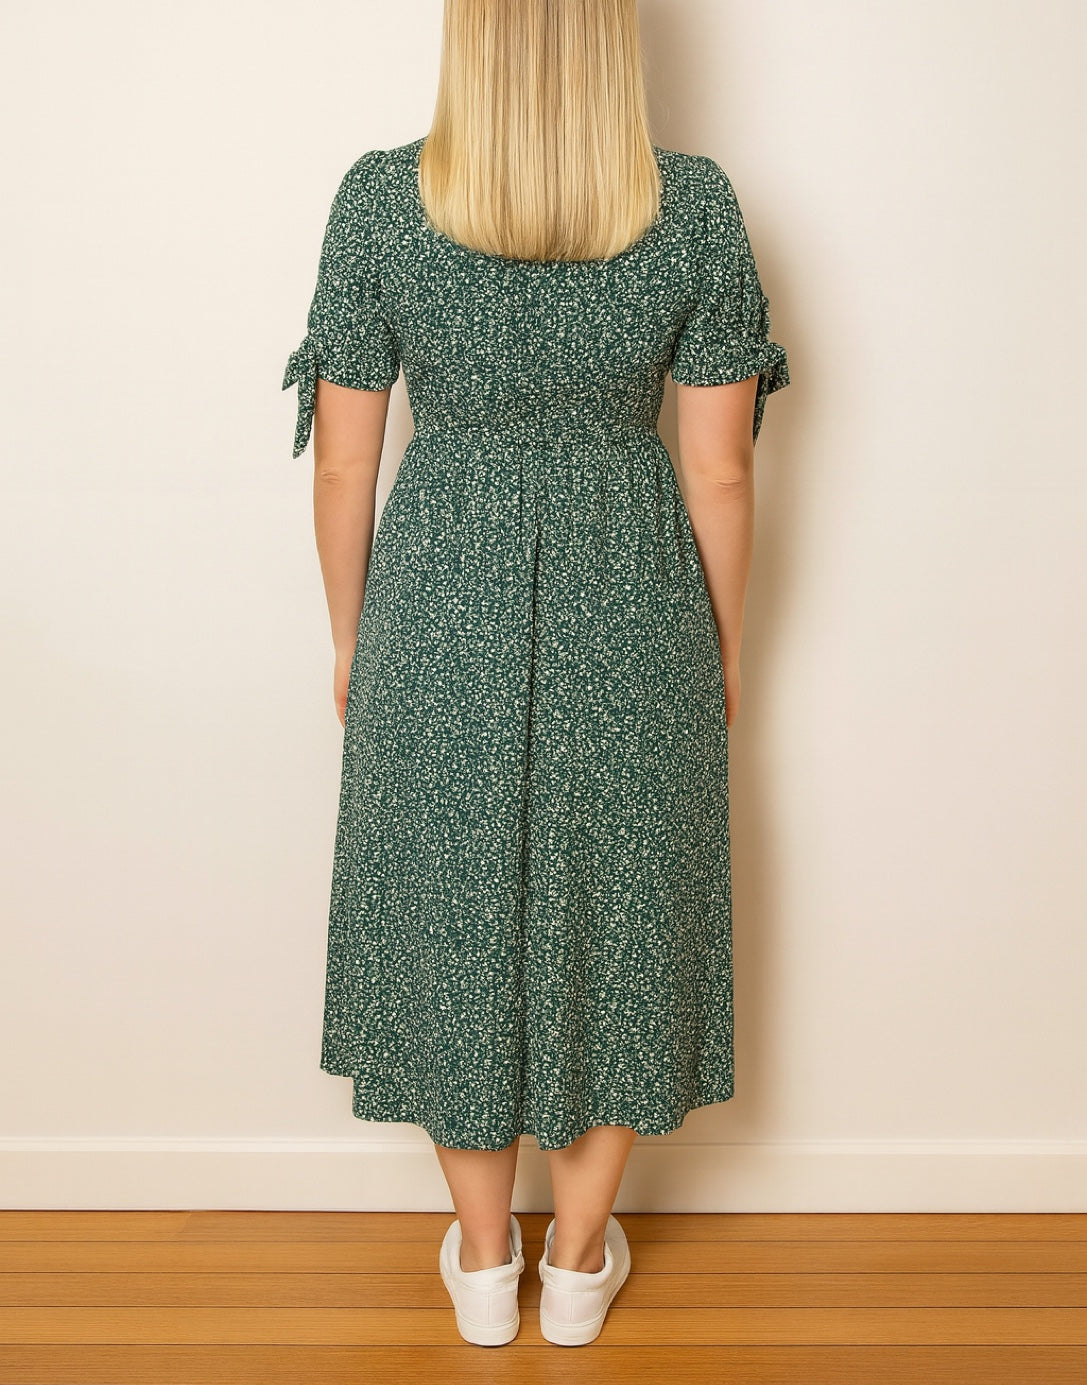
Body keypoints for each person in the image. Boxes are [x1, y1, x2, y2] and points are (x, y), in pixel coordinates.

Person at [281, 0, 790, 1350]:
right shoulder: (692, 208)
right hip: (636, 599)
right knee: (621, 905)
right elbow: (722, 470)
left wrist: (351, 636)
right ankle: (575, 1262)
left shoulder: (382, 203)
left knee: (450, 903)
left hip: (437, 596)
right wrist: (724, 641)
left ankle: (483, 1256)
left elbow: (343, 459)